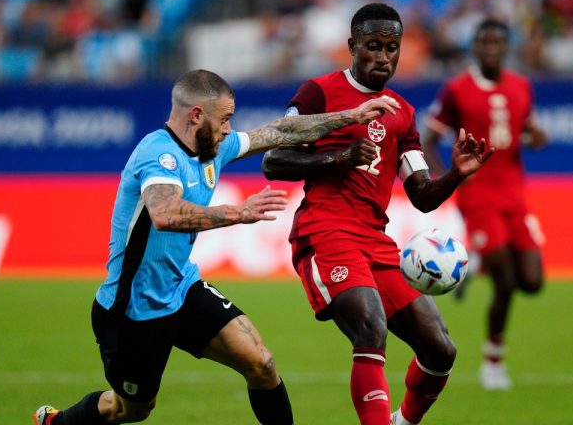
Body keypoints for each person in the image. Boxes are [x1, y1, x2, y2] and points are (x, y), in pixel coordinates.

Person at [32, 69, 400, 425]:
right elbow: (165, 213)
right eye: (224, 119)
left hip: (182, 288)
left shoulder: (213, 149)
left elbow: (278, 131)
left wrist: (350, 115)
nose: (228, 129)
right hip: (132, 310)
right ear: (196, 115)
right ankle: (59, 422)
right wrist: (237, 212)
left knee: (262, 365)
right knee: (129, 409)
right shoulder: (158, 155)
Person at [262, 3, 492, 425]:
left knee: (440, 348)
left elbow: (421, 194)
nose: (383, 57)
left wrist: (456, 174)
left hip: (375, 240)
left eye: (392, 47)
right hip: (324, 231)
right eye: (372, 46)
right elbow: (274, 161)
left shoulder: (402, 112)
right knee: (371, 327)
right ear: (352, 46)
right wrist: (340, 157)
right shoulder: (318, 92)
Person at [421, 18, 549, 391]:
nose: (490, 47)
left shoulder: (521, 86)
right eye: (483, 41)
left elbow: (531, 131)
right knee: (506, 280)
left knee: (532, 281)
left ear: (506, 46)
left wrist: (539, 136)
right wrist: (451, 175)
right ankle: (493, 361)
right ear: (474, 47)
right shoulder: (457, 89)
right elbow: (429, 138)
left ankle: (477, 261)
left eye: (497, 41)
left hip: (515, 195)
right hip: (478, 196)